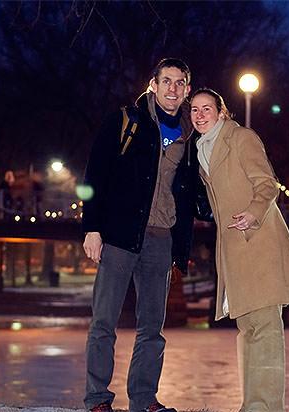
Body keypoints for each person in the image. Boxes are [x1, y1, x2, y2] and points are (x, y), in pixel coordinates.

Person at [81, 58, 210, 412]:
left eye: (179, 82)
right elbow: (95, 174)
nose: (172, 88)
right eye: (165, 81)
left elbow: (192, 192)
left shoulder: (191, 135)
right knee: (104, 321)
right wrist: (92, 227)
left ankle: (143, 400)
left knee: (152, 327)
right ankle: (97, 399)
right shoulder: (128, 121)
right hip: (120, 235)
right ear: (153, 84)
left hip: (161, 238)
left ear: (186, 89)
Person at [190, 88, 289, 412]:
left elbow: (267, 183)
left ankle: (265, 407)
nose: (199, 115)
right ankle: (252, 404)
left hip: (260, 241)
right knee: (248, 329)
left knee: (265, 328)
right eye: (194, 110)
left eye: (206, 108)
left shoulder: (241, 138)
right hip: (234, 248)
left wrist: (253, 212)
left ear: (221, 112)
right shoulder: (201, 151)